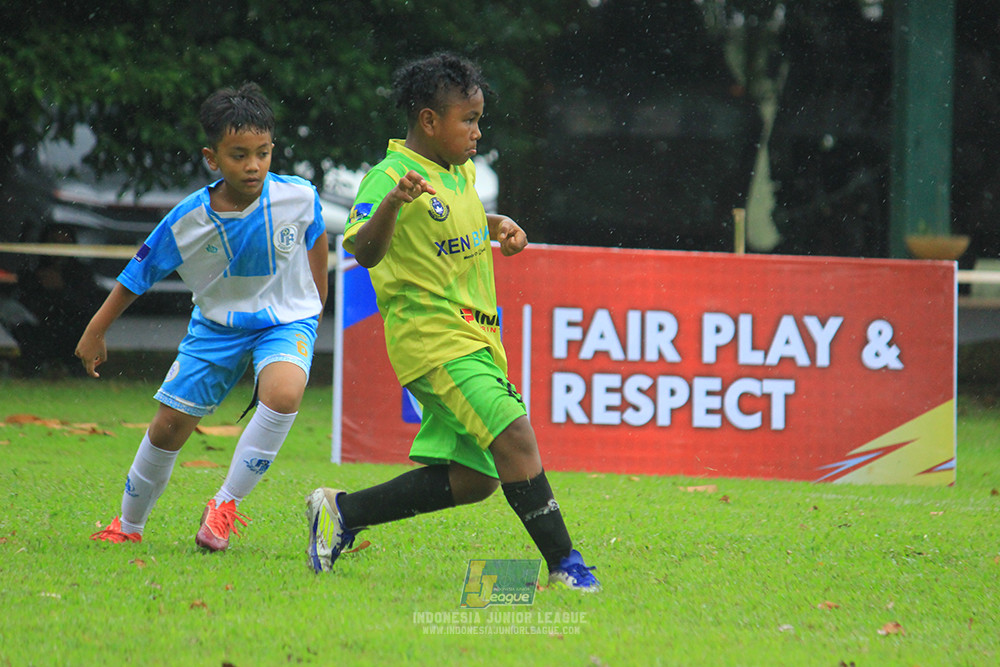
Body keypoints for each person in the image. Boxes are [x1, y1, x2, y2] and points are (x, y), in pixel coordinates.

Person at [306, 53, 599, 591]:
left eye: (479, 118)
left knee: (476, 479)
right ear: (429, 121)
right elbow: (364, 251)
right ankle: (566, 564)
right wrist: (392, 204)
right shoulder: (386, 178)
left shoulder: (459, 172)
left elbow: (454, 221)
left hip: (478, 336)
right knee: (515, 434)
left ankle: (342, 512)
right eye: (468, 120)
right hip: (432, 341)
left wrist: (496, 224)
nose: (477, 132)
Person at [79, 83, 329, 551]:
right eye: (239, 155)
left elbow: (316, 234)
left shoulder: (298, 196)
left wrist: (316, 300)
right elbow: (138, 275)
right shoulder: (185, 220)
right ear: (212, 159)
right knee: (169, 428)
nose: (253, 165)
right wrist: (96, 330)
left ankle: (225, 505)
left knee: (285, 393)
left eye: (263, 153)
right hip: (216, 328)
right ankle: (127, 526)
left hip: (285, 322)